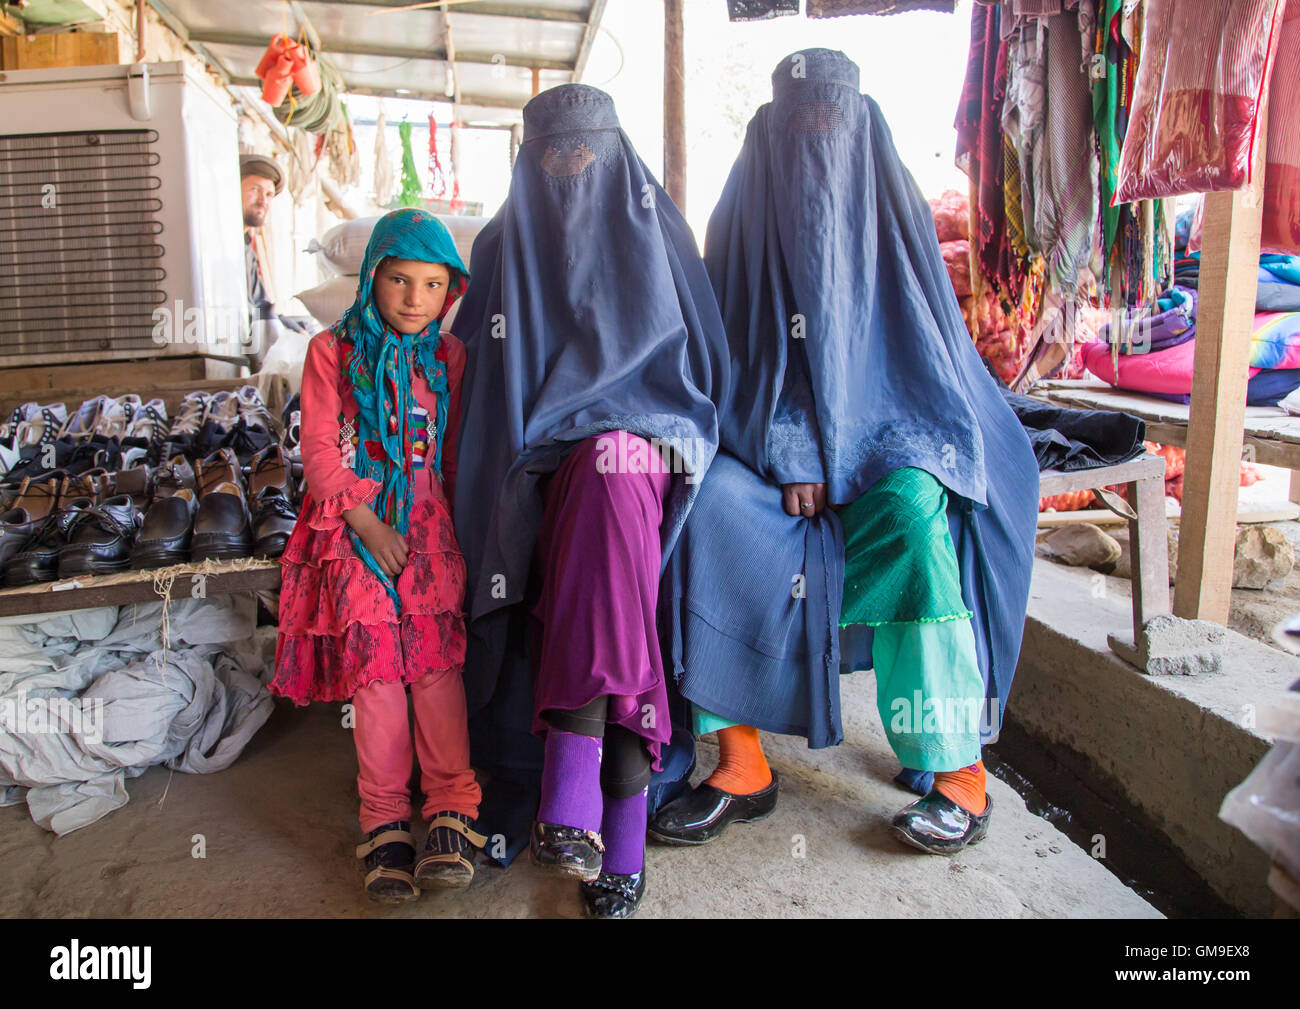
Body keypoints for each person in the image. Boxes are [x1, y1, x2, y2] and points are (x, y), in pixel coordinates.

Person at [649, 49, 1040, 856]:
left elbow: (922, 365)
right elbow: (728, 361)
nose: (814, 147)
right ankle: (742, 762)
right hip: (764, 454)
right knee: (705, 504)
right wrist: (788, 442)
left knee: (913, 512)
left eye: (832, 124)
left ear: (862, 132)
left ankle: (958, 767)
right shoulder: (744, 213)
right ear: (767, 136)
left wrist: (854, 448)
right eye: (799, 128)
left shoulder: (891, 215)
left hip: (889, 438)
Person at [451, 83, 729, 918]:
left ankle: (573, 781)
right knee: (596, 495)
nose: (570, 171)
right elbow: (476, 391)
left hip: (645, 449)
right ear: (528, 165)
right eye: (553, 156)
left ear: (616, 154)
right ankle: (623, 817)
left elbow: (703, 370)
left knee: (611, 472)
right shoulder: (503, 245)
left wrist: (639, 432)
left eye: (586, 154)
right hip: (537, 462)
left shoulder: (657, 228)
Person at [271, 208, 485, 903]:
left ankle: (453, 808)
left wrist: (450, 535)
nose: (415, 299)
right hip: (352, 521)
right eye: (399, 279)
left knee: (433, 665)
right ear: (371, 278)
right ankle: (385, 818)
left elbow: (454, 460)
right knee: (378, 673)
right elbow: (321, 454)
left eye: (432, 283)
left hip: (428, 525)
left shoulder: (451, 359)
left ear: (450, 290)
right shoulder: (331, 352)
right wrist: (368, 525)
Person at [240, 153, 309, 369]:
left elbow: (260, 303)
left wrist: (289, 326)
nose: (263, 201)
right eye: (255, 190)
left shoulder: (245, 249)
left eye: (269, 194)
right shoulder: (218, 245)